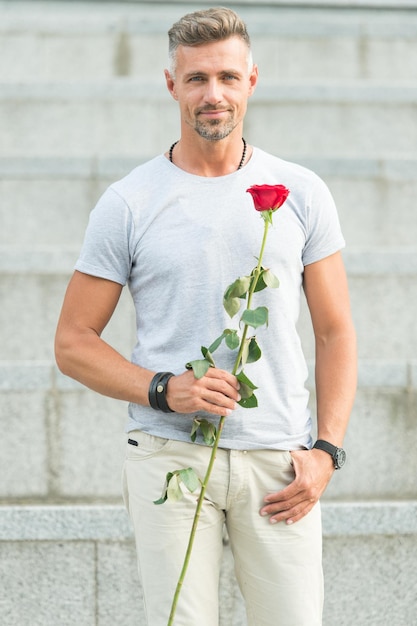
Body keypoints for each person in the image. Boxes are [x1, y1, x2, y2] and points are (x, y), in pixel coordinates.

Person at [55, 7, 357, 626]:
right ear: (172, 85)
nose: (212, 94)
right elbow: (72, 342)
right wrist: (167, 390)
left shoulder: (300, 191)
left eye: (226, 77)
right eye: (196, 79)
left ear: (252, 80)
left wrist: (326, 449)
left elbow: (335, 331)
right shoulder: (129, 202)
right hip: (169, 458)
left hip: (280, 463)